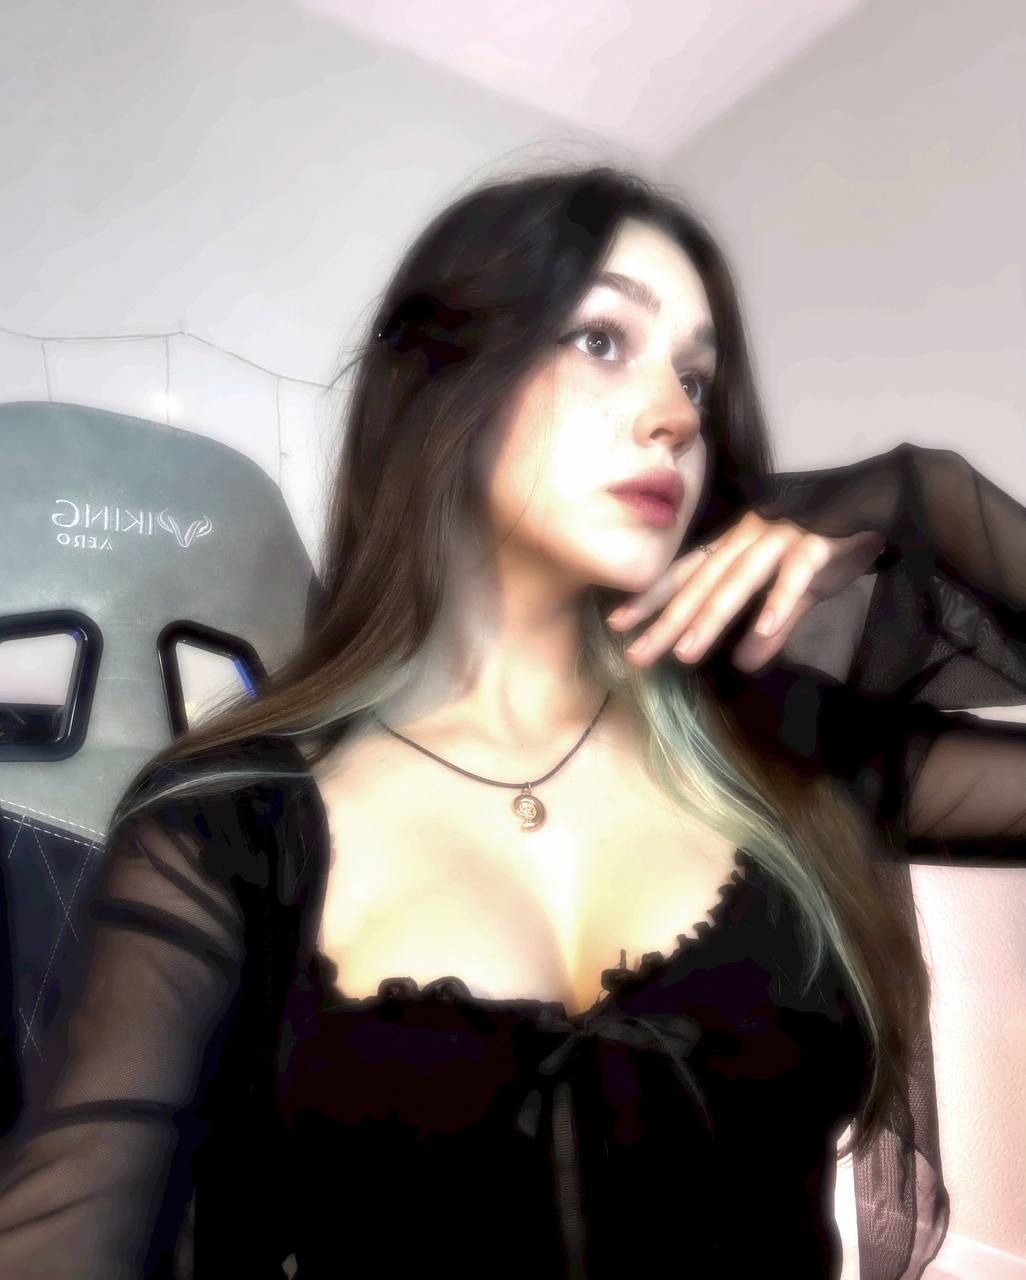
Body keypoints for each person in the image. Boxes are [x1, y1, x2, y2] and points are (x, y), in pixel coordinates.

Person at [0, 163, 1023, 1279]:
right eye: (603, 340)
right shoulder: (224, 827)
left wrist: (925, 495)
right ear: (447, 382)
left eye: (695, 376)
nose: (679, 415)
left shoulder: (784, 748)